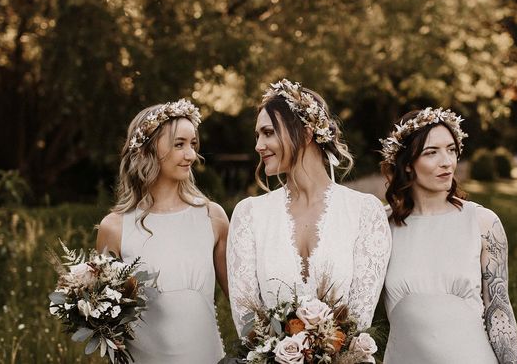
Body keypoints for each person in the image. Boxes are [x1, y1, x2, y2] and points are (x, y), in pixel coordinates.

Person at [226, 79, 391, 333]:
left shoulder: (365, 212)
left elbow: (359, 320)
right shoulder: (249, 215)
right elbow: (247, 321)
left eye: (268, 133)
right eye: (257, 135)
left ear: (305, 134)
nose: (258, 146)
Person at [379, 107, 517, 364]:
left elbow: (499, 312)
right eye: (431, 152)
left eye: (451, 149)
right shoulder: (381, 226)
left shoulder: (483, 223)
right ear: (408, 165)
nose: (447, 162)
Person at [97, 99, 228, 364]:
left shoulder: (212, 217)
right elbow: (103, 320)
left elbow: (242, 303)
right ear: (148, 150)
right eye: (179, 144)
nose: (190, 155)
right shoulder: (114, 227)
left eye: (193, 144)